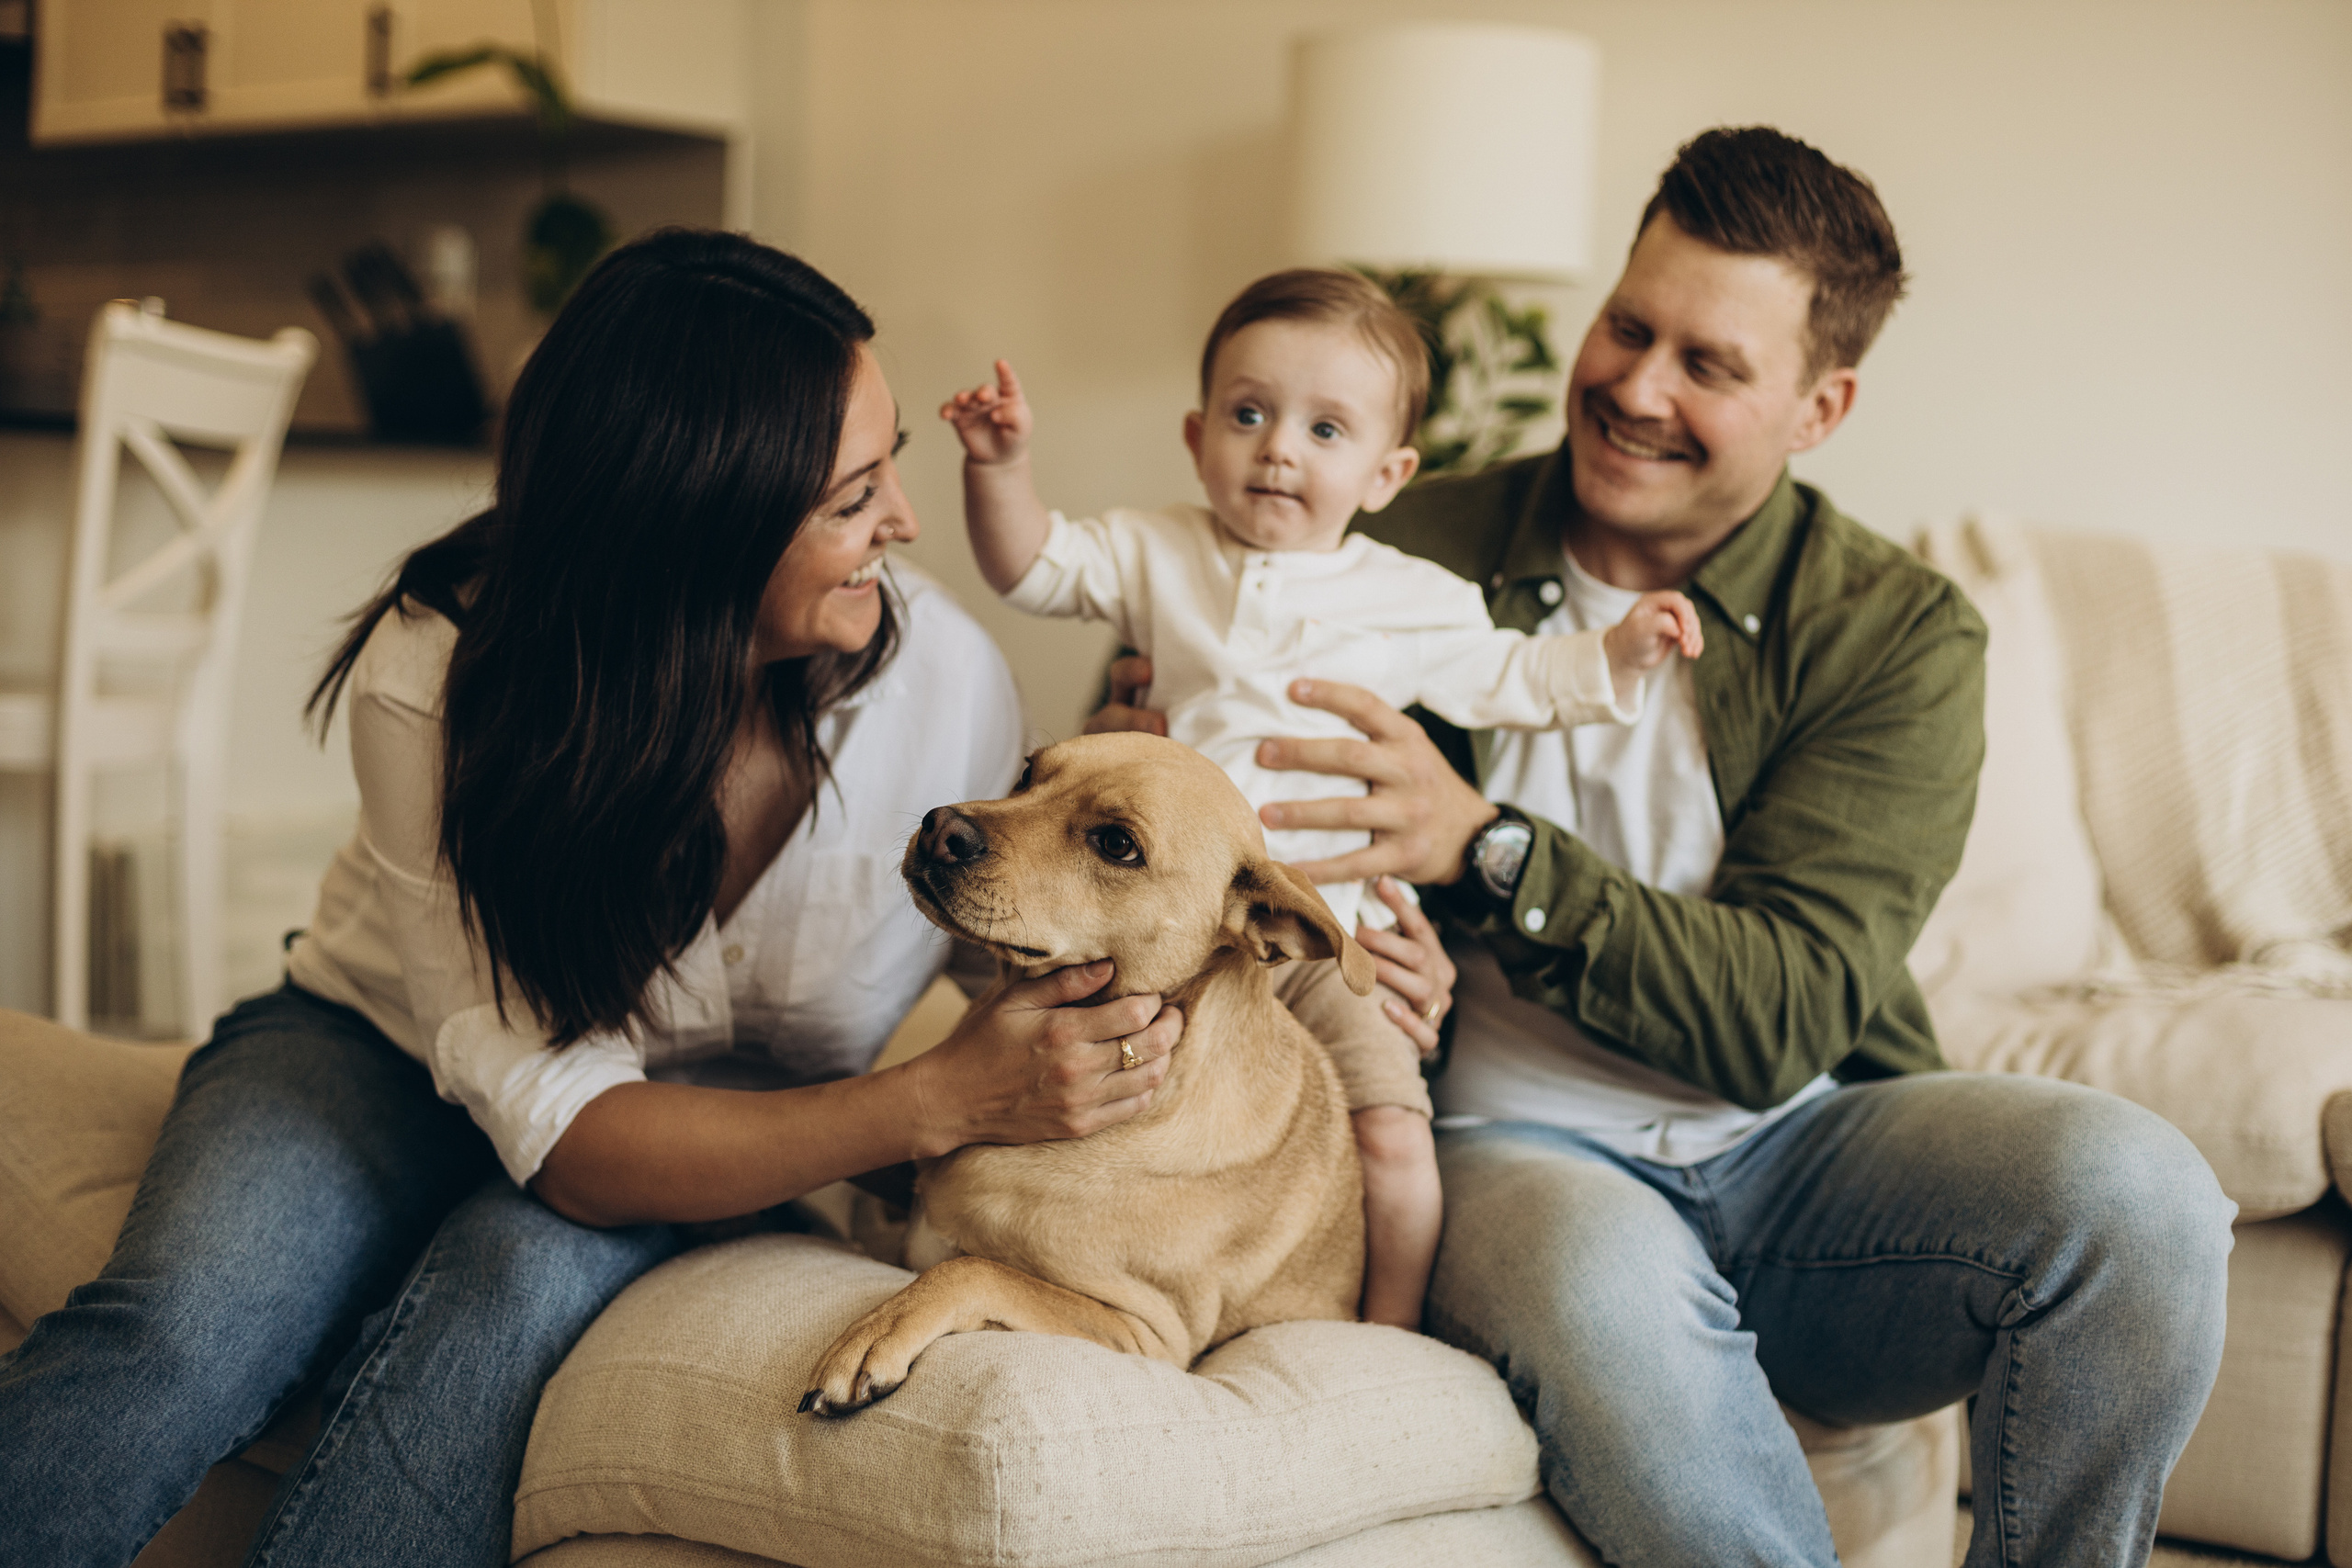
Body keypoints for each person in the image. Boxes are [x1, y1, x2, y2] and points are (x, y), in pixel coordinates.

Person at [1095, 129, 2235, 1565]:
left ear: (1822, 406)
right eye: (1630, 326)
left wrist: (1488, 850)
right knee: (1600, 1286)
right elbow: (1144, 813)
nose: (1637, 389)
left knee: (2144, 1191)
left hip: (1808, 1142)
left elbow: (1783, 1015)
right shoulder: (1390, 542)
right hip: (1512, 1146)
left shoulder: (1895, 632)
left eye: (1711, 362)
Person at [0, 231, 1194, 1568]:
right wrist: (928, 1100)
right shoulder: (444, 665)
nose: (906, 523)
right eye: (855, 496)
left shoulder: (946, 690)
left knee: (501, 1293)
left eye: (890, 466)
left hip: (731, 1127)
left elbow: (1029, 957)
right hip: (375, 1051)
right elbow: (571, 1134)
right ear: (698, 520)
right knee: (178, 1328)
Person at [940, 266, 1702, 1331]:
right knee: (1062, 1085)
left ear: (1388, 473)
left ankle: (1382, 1340)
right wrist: (1002, 467)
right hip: (1168, 933)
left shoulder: (1408, 598)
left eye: (1325, 431)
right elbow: (1032, 566)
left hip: (1326, 929)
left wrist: (1616, 655)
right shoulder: (1161, 552)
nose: (1279, 448)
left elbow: (1519, 679)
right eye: (1248, 415)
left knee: (1389, 1133)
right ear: (1198, 433)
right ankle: (1066, 1263)